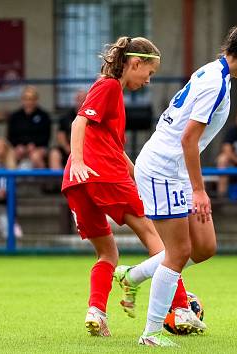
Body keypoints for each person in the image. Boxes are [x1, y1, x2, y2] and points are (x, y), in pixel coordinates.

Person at [124, 20, 237, 347]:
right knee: (178, 252)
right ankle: (151, 334)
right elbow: (189, 141)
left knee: (204, 247)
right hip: (164, 169)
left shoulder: (218, 75)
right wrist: (200, 190)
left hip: (175, 169)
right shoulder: (215, 82)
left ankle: (132, 275)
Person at [60, 36, 170, 337]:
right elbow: (78, 122)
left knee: (107, 254)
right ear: (135, 63)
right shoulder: (108, 86)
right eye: (149, 73)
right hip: (100, 174)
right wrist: (81, 161)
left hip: (78, 182)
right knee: (157, 238)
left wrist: (139, 174)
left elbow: (113, 146)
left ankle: (96, 312)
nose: (148, 81)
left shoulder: (111, 93)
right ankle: (180, 306)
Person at [7, 86, 51, 169]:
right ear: (22, 100)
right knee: (11, 155)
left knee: (35, 157)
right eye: (26, 98)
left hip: (39, 147)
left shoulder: (44, 116)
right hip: (19, 147)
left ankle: (44, 181)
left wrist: (34, 145)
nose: (29, 101)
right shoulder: (15, 116)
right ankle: (13, 181)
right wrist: (19, 145)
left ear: (36, 100)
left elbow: (46, 136)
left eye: (31, 98)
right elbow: (10, 136)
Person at [49, 89, 87, 170]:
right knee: (54, 154)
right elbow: (60, 136)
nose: (81, 102)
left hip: (85, 150)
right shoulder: (66, 117)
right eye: (79, 100)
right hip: (68, 149)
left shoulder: (91, 116)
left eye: (83, 100)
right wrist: (68, 148)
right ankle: (58, 181)